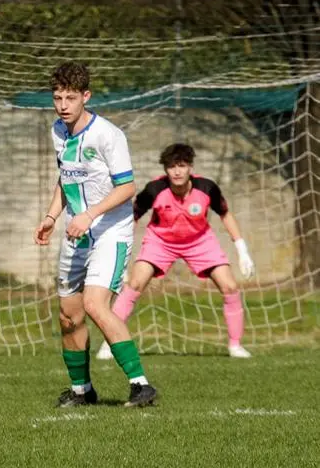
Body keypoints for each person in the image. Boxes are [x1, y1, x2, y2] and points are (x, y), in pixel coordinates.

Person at [34, 61, 158, 408]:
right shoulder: (57, 131)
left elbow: (128, 187)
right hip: (77, 232)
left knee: (94, 304)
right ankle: (81, 390)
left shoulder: (108, 134)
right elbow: (66, 178)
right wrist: (50, 216)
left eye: (71, 97)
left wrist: (89, 215)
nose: (63, 105)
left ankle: (140, 385)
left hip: (110, 232)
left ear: (85, 96)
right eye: (57, 97)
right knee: (69, 314)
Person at [95, 143, 255, 361]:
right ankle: (110, 343)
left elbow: (225, 214)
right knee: (134, 284)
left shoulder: (207, 188)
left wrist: (242, 250)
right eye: (171, 166)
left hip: (200, 241)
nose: (177, 171)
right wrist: (122, 254)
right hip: (160, 241)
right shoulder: (154, 190)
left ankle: (235, 346)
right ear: (165, 169)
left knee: (230, 286)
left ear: (190, 167)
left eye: (181, 165)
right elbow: (131, 217)